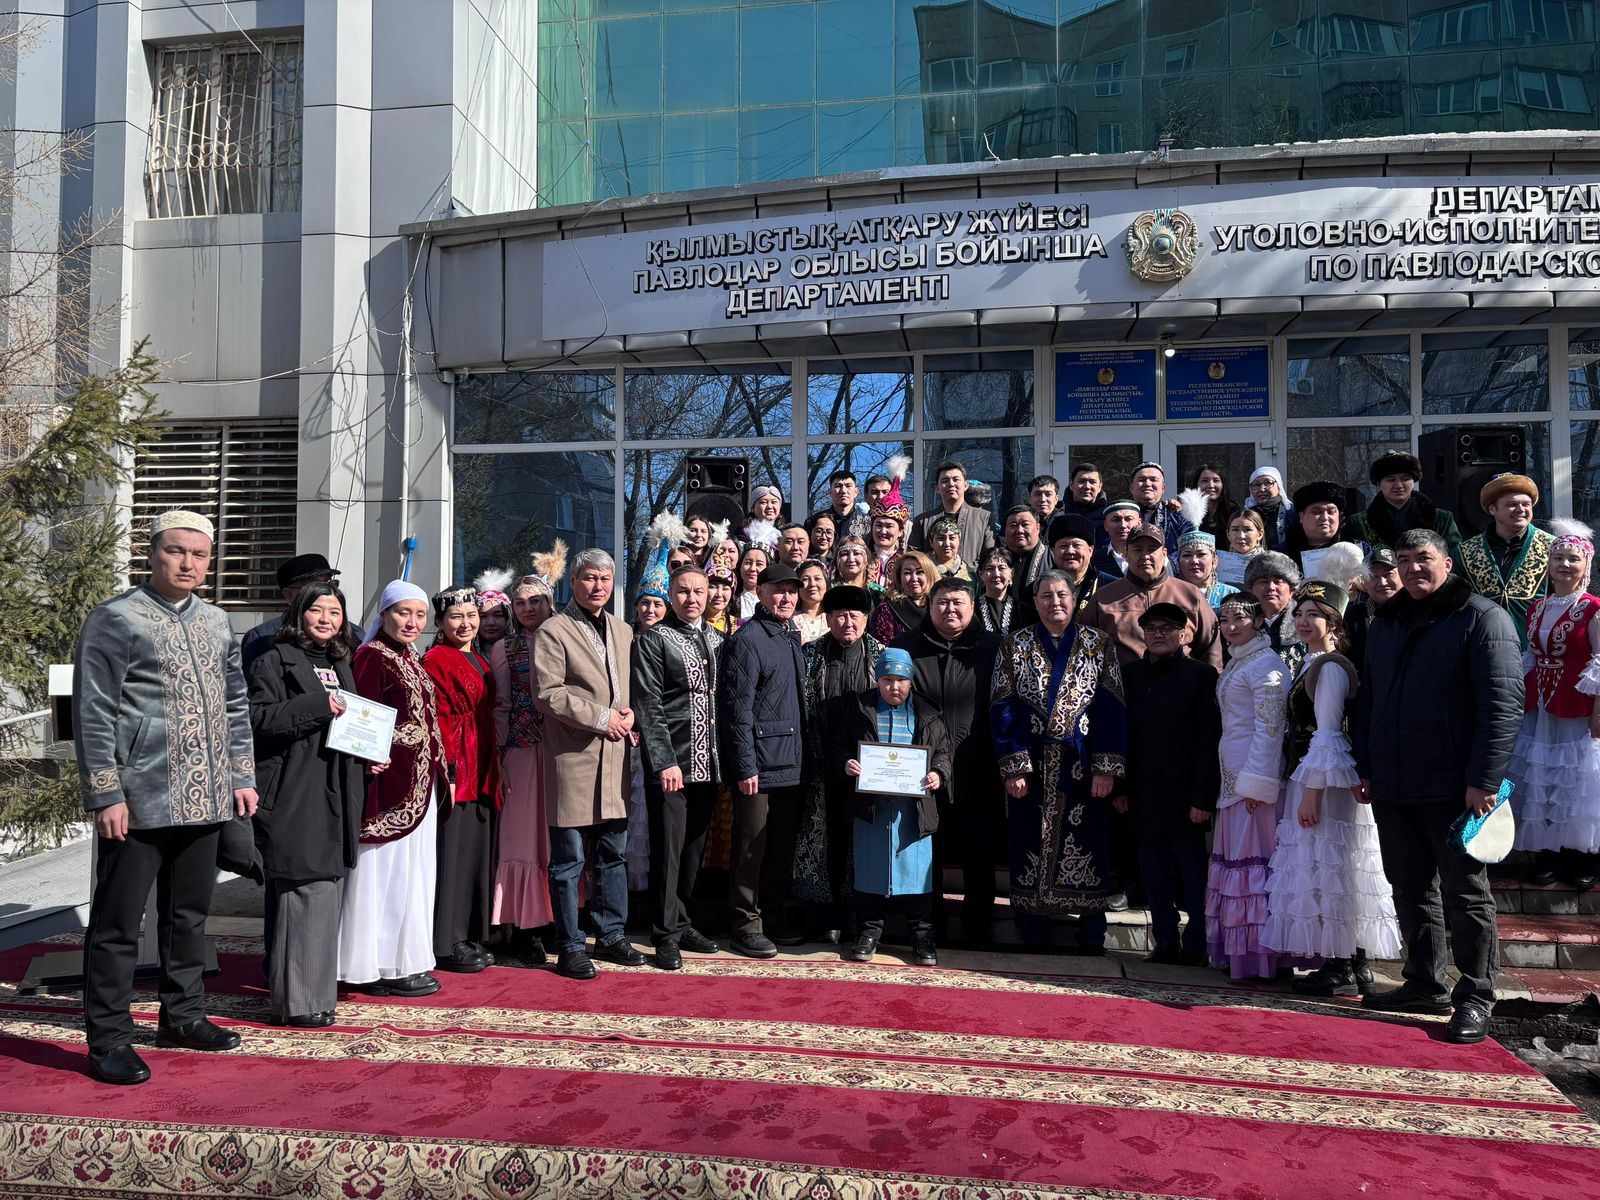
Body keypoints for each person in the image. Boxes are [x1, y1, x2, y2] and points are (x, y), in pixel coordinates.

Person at [74, 510, 258, 1085]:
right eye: (176, 552)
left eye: (199, 555)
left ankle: (182, 1015)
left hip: (204, 799)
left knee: (189, 918)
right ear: (152, 554)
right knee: (117, 922)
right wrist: (106, 793)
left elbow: (234, 706)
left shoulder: (216, 621)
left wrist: (239, 776)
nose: (188, 563)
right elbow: (94, 712)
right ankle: (108, 1037)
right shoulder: (115, 620)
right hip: (138, 799)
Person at [1353, 529, 1523, 1045]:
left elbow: (1502, 705)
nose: (1412, 569)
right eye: (1403, 561)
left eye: (1423, 559)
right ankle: (1424, 981)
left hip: (1455, 787)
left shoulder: (1480, 618)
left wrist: (1483, 780)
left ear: (1446, 562)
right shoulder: (1386, 620)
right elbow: (1369, 701)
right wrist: (1366, 765)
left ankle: (1475, 995)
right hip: (1394, 780)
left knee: (1466, 893)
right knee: (1409, 887)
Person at [1262, 574, 1401, 998]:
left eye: (1315, 615)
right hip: (1318, 774)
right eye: (1299, 613)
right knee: (1334, 868)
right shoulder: (1311, 661)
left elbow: (1327, 733)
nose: (1304, 621)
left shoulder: (1331, 667)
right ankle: (1350, 963)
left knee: (1334, 867)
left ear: (1334, 623)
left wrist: (1311, 793)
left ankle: (1345, 964)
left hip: (1325, 779)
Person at [991, 569, 1127, 954]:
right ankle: (1031, 933)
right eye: (1046, 596)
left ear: (1074, 598)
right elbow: (1002, 707)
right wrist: (1014, 764)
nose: (1055, 602)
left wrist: (1105, 766)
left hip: (1081, 767)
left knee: (1089, 845)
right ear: (1035, 603)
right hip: (1032, 765)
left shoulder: (1097, 644)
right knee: (1028, 844)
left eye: (1062, 595)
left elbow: (1111, 706)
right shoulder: (1014, 645)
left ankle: (1090, 936)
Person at [247, 582, 364, 1028]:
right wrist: (319, 705)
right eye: (317, 610)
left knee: (325, 892)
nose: (326, 620)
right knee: (302, 891)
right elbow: (257, 720)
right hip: (296, 789)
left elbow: (351, 719)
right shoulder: (272, 660)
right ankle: (296, 1002)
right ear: (299, 612)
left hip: (337, 785)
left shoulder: (340, 660)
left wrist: (370, 754)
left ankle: (316, 997)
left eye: (335, 612)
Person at [533, 548, 648, 979]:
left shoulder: (623, 629)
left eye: (604, 578)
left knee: (613, 854)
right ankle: (569, 945)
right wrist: (602, 718)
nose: (597, 586)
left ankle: (612, 935)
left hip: (615, 760)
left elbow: (629, 688)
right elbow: (548, 693)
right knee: (569, 860)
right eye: (589, 578)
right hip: (574, 758)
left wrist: (630, 712)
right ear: (573, 582)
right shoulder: (553, 630)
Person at [339, 580, 450, 998]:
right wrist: (371, 755)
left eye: (419, 615)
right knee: (382, 876)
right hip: (387, 784)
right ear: (384, 614)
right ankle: (371, 965)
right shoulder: (371, 657)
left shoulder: (411, 658)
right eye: (404, 612)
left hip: (419, 784)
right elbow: (359, 718)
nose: (412, 622)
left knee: (411, 877)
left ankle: (401, 961)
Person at [893, 576, 1002, 948]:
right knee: (927, 854)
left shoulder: (993, 647)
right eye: (942, 602)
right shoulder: (906, 647)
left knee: (978, 854)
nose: (950, 609)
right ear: (929, 605)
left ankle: (978, 929)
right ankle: (927, 929)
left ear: (972, 608)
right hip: (922, 773)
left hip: (979, 768)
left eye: (958, 602)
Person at [632, 564, 726, 970]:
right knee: (668, 850)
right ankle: (665, 933)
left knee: (693, 851)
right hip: (674, 763)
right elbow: (648, 704)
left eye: (699, 591)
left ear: (710, 595)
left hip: (710, 763)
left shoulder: (719, 639)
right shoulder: (654, 640)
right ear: (671, 595)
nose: (692, 598)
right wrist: (663, 760)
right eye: (683, 591)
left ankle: (684, 921)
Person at [833, 648, 953, 966]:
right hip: (872, 809)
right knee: (870, 875)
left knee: (918, 878)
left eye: (901, 680)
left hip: (913, 812)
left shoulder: (928, 713)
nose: (894, 687)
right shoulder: (859, 709)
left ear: (911, 680)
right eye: (887, 680)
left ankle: (923, 936)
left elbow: (943, 752)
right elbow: (839, 746)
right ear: (878, 679)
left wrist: (937, 774)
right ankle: (869, 933)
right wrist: (847, 763)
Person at [1119, 603, 1220, 966]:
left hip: (1187, 796)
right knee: (1154, 875)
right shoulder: (1129, 676)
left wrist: (1203, 798)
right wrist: (1119, 789)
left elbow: (1210, 742)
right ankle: (1164, 940)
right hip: (1143, 795)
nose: (1159, 634)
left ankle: (1197, 944)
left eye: (1167, 628)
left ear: (1184, 634)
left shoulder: (1202, 676)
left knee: (1194, 875)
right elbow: (1121, 737)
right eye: (1152, 628)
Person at [1505, 520, 1600, 890]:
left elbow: (1599, 661)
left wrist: (1598, 713)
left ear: (1585, 566)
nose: (1563, 564)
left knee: (1577, 780)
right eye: (1557, 557)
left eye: (1572, 559)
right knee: (1542, 777)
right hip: (1541, 704)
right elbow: (1531, 656)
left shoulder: (1593, 608)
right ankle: (1547, 854)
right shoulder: (1537, 607)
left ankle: (1582, 858)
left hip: (1578, 706)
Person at [721, 562, 808, 957]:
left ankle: (771, 916)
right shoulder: (748, 640)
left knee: (779, 847)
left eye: (793, 590)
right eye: (779, 590)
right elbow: (736, 709)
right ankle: (744, 924)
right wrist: (745, 766)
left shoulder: (791, 636)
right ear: (760, 592)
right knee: (751, 847)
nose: (787, 597)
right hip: (759, 764)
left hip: (791, 761)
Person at [490, 543, 566, 963]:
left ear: (549, 602)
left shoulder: (568, 639)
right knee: (522, 840)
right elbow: (501, 703)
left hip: (562, 751)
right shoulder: (506, 648)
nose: (527, 608)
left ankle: (558, 919)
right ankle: (524, 927)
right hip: (521, 751)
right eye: (519, 603)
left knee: (558, 839)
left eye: (535, 601)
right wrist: (501, 757)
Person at [1208, 593, 1290, 981]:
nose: (1231, 627)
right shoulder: (1242, 661)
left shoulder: (1267, 665)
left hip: (1253, 786)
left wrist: (1257, 784)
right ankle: (1240, 952)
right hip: (1233, 778)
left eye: (1239, 618)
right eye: (1225, 620)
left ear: (1258, 621)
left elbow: (1271, 730)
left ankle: (1261, 957)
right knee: (1237, 865)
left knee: (1254, 867)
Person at [795, 585, 884, 938]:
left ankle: (856, 914)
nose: (848, 622)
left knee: (859, 839)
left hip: (866, 765)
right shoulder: (810, 654)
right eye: (840, 616)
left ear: (866, 619)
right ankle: (825, 913)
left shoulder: (882, 655)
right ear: (829, 618)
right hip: (819, 761)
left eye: (855, 615)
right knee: (822, 837)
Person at [422, 585, 502, 974]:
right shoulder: (436, 658)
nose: (466, 623)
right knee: (452, 855)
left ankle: (470, 933)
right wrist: (448, 772)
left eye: (472, 616)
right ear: (440, 623)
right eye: (456, 617)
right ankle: (446, 941)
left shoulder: (480, 658)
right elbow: (435, 721)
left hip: (484, 762)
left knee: (475, 853)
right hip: (459, 766)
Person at [1080, 524, 1223, 670]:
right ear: (1126, 554)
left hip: (1182, 687)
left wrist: (1210, 685)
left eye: (1152, 549)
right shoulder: (1104, 597)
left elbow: (1211, 649)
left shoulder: (1190, 594)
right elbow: (1086, 649)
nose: (1145, 556)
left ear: (1164, 554)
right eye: (1137, 550)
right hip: (1122, 687)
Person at [1457, 472, 1554, 650]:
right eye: (1512, 504)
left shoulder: (1554, 547)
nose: (1521, 509)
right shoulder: (1465, 551)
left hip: (1538, 653)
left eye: (1526, 504)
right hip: (1484, 649)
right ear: (1492, 509)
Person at [1346, 450, 1464, 562]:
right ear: (1378, 484)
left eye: (1405, 479)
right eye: (1391, 480)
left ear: (1414, 481)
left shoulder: (1442, 519)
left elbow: (1454, 558)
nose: (1398, 485)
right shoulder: (1358, 523)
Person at [241, 552, 349, 672]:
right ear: (289, 594)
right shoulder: (263, 637)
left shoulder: (353, 635)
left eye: (330, 584)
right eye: (314, 586)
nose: (324, 592)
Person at [908, 459, 996, 570]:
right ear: (937, 488)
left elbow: (989, 557)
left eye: (956, 479)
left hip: (972, 584)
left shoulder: (985, 518)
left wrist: (969, 575)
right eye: (945, 480)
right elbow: (913, 559)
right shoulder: (922, 521)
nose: (951, 484)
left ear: (965, 485)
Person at [1243, 551, 1305, 677]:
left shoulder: (1305, 622)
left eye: (1278, 581)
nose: (1271, 587)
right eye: (1263, 581)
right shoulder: (1240, 623)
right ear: (1251, 588)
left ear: (1291, 590)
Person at [1285, 481, 1368, 570]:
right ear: (1301, 516)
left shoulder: (1361, 550)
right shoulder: (1283, 553)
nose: (1325, 517)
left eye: (1331, 512)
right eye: (1317, 512)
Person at [1344, 547, 1401, 673]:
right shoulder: (1353, 617)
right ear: (1364, 582)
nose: (1382, 582)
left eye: (1389, 574)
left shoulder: (1419, 610)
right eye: (1373, 576)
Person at [869, 548, 935, 644]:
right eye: (907, 573)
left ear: (929, 575)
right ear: (899, 577)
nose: (914, 578)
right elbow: (884, 647)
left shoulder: (937, 604)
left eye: (920, 572)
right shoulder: (886, 609)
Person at [1128, 461, 1193, 558]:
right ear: (1131, 488)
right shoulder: (1120, 516)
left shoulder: (1178, 517)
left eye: (1153, 479)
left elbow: (1189, 551)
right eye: (1142, 479)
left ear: (1163, 489)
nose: (1147, 484)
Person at [869, 457, 912, 589]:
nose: (883, 531)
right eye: (879, 525)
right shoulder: (861, 557)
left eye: (889, 526)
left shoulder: (907, 562)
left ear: (900, 532)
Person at [1176, 530, 1239, 611]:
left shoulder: (1231, 593)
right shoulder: (1170, 593)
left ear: (1215, 560)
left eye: (1201, 554)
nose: (1194, 561)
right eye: (1187, 555)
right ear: (1178, 562)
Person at [1245, 466, 1295, 552]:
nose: (1262, 489)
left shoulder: (1291, 512)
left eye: (1268, 483)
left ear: (1279, 486)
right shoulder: (1246, 516)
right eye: (1256, 484)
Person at [815, 468, 871, 542]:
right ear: (830, 492)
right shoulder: (814, 521)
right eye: (838, 486)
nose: (843, 491)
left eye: (848, 486)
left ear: (856, 491)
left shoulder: (868, 521)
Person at [1002, 504, 1049, 587]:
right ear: (1005, 529)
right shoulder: (996, 560)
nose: (1019, 530)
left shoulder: (1052, 559)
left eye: (1025, 525)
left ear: (1038, 528)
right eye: (1013, 525)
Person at [976, 546, 1018, 637]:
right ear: (980, 574)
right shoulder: (972, 609)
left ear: (1012, 573)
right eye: (989, 569)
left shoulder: (1021, 610)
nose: (996, 574)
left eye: (1002, 568)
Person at [1191, 463, 1240, 541]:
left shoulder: (1233, 512)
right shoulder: (1188, 514)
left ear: (1222, 485)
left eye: (1216, 480)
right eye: (1204, 481)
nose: (1211, 485)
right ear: (1196, 485)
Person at [1095, 500, 1141, 578]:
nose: (1123, 525)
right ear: (1105, 525)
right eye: (1116, 520)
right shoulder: (1095, 560)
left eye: (1129, 519)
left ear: (1139, 523)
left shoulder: (1151, 556)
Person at [473, 568, 514, 653]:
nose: (490, 623)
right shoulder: (466, 654)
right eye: (483, 616)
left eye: (498, 615)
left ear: (508, 618)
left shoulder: (524, 649)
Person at [793, 558, 831, 643]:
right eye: (805, 579)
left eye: (817, 579)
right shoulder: (790, 619)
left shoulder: (834, 618)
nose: (812, 584)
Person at [734, 542, 772, 624]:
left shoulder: (773, 600)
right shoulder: (730, 599)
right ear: (740, 566)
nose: (752, 568)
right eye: (748, 563)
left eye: (759, 564)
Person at [925, 513, 970, 580]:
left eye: (952, 538)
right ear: (931, 542)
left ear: (959, 542)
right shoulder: (922, 571)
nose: (947, 544)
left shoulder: (970, 575)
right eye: (941, 538)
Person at [1063, 463, 1107, 528]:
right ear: (1071, 485)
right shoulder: (1059, 514)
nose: (1087, 487)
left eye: (1092, 482)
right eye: (1081, 481)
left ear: (1100, 487)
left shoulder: (1108, 516)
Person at [704, 561, 737, 636]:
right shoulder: (691, 622)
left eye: (725, 589)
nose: (719, 594)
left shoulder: (740, 626)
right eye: (712, 587)